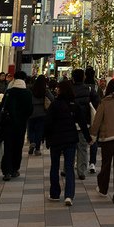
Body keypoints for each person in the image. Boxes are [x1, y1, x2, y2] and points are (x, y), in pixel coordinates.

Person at [44, 79, 89, 207]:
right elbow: (82, 123)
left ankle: (54, 193)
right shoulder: (74, 104)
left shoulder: (55, 104)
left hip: (56, 139)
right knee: (69, 167)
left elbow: (48, 123)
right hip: (70, 139)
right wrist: (88, 138)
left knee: (55, 166)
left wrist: (46, 138)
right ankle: (69, 195)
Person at [0, 70, 33, 181]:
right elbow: (30, 110)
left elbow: (2, 107)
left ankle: (6, 171)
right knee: (18, 146)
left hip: (8, 124)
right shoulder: (28, 93)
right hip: (21, 124)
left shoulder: (9, 92)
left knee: (8, 146)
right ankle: (14, 169)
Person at [70, 69, 93, 179]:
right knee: (82, 148)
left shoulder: (69, 89)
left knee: (70, 148)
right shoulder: (88, 90)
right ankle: (81, 171)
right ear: (83, 77)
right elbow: (95, 104)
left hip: (70, 123)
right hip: (84, 123)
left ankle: (67, 168)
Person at [27, 75, 50, 156]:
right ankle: (37, 149)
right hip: (42, 113)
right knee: (39, 131)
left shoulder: (31, 89)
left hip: (31, 112)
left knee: (31, 129)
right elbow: (52, 98)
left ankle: (32, 142)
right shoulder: (45, 90)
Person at [85, 66, 101, 174]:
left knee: (81, 141)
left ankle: (81, 161)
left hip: (83, 117)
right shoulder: (97, 87)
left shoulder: (82, 86)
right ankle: (92, 163)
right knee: (93, 140)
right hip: (95, 117)